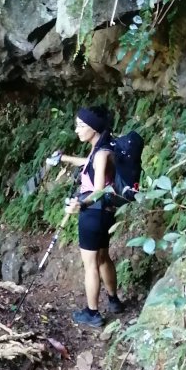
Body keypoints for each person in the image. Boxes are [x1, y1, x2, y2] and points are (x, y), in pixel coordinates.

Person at [59, 108, 125, 328]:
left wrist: (81, 204)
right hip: (106, 214)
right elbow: (87, 163)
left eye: (81, 126)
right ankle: (114, 301)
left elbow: (98, 190)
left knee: (91, 265)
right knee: (104, 258)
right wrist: (63, 158)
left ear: (94, 128)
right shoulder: (104, 149)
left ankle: (92, 312)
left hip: (93, 214)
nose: (77, 130)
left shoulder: (100, 154)